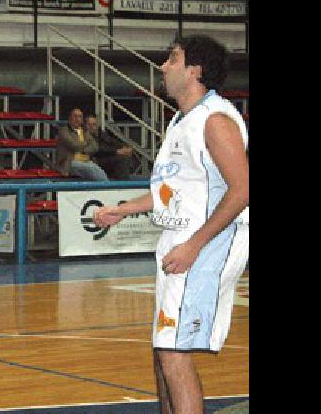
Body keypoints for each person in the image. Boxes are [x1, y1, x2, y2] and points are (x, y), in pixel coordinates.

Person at [92, 35, 248, 414]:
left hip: (204, 247)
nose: (163, 66)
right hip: (181, 242)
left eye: (173, 58)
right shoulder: (182, 120)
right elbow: (175, 191)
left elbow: (243, 190)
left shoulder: (216, 121)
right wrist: (126, 208)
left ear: (195, 70)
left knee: (174, 353)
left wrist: (194, 246)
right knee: (164, 348)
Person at [54, 108, 108, 181]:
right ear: (70, 118)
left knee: (98, 170)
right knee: (92, 169)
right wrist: (86, 142)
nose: (77, 119)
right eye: (75, 116)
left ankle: (105, 188)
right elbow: (74, 145)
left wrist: (83, 151)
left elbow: (95, 147)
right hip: (69, 163)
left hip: (86, 161)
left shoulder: (85, 131)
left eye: (79, 116)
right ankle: (107, 188)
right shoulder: (64, 130)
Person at [86, 114, 135, 180]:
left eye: (94, 124)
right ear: (85, 125)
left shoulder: (101, 133)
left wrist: (125, 147)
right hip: (95, 159)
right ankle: (123, 185)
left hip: (106, 157)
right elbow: (98, 150)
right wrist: (117, 151)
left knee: (125, 156)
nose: (92, 127)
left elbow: (112, 142)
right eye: (89, 124)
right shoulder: (84, 135)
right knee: (122, 159)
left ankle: (120, 181)